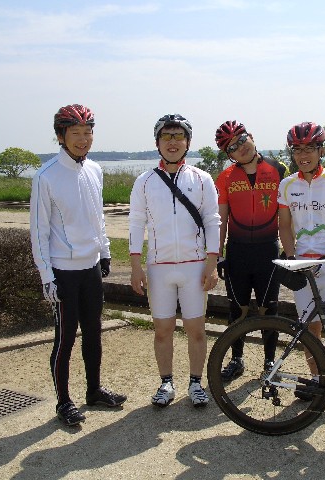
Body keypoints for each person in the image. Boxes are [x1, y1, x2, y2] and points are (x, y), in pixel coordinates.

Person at [30, 104, 127, 427]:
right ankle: (63, 402)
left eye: (88, 132)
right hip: (63, 272)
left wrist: (105, 252)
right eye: (76, 133)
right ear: (61, 136)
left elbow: (98, 218)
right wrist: (46, 276)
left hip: (91, 267)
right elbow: (39, 232)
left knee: (94, 333)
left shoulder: (95, 170)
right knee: (65, 338)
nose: (83, 139)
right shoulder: (46, 176)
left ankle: (94, 390)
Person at [128, 114, 221, 408]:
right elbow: (136, 223)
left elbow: (213, 220)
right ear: (157, 142)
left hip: (194, 266)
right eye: (166, 136)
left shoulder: (202, 178)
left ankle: (196, 383)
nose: (172, 142)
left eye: (178, 136)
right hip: (159, 268)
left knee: (196, 330)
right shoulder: (144, 181)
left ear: (187, 142)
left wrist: (212, 263)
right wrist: (135, 266)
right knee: (162, 330)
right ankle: (166, 382)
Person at [277, 122, 325, 399]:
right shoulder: (287, 185)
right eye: (297, 150)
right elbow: (284, 226)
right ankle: (318, 381)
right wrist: (291, 258)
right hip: (303, 264)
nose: (303, 155)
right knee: (310, 331)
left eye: (309, 148)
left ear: (321, 150)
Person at [214, 120, 286, 380]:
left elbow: (288, 215)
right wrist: (219, 255)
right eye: (232, 147)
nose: (240, 147)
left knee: (269, 310)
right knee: (238, 309)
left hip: (268, 251)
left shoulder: (280, 169)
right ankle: (236, 359)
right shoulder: (225, 177)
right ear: (229, 155)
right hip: (238, 252)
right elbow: (221, 219)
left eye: (242, 139)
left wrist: (289, 250)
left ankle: (270, 363)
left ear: (251, 136)